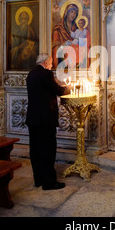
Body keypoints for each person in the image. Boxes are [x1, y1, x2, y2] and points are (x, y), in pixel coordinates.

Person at [26, 54, 70, 190]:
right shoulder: (46, 74)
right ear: (46, 63)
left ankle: (38, 179)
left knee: (35, 150)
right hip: (45, 118)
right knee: (48, 150)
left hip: (33, 118)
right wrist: (68, 87)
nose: (52, 65)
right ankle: (49, 182)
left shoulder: (31, 74)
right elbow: (57, 90)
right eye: (51, 63)